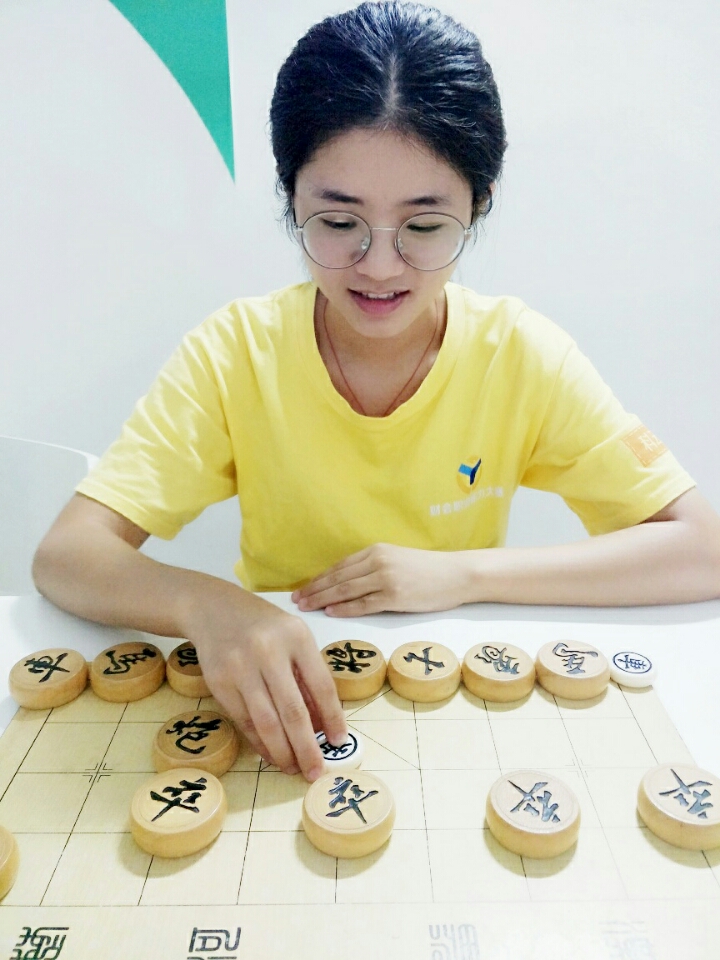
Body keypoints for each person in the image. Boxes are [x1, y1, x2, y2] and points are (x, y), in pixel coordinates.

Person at [32, 2, 720, 782]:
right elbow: (67, 555)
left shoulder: (521, 354)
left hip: (452, 701)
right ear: (291, 198)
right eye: (337, 222)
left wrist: (464, 575)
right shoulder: (236, 353)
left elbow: (702, 549)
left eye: (424, 228)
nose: (381, 267)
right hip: (281, 700)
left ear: (479, 205)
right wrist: (207, 604)